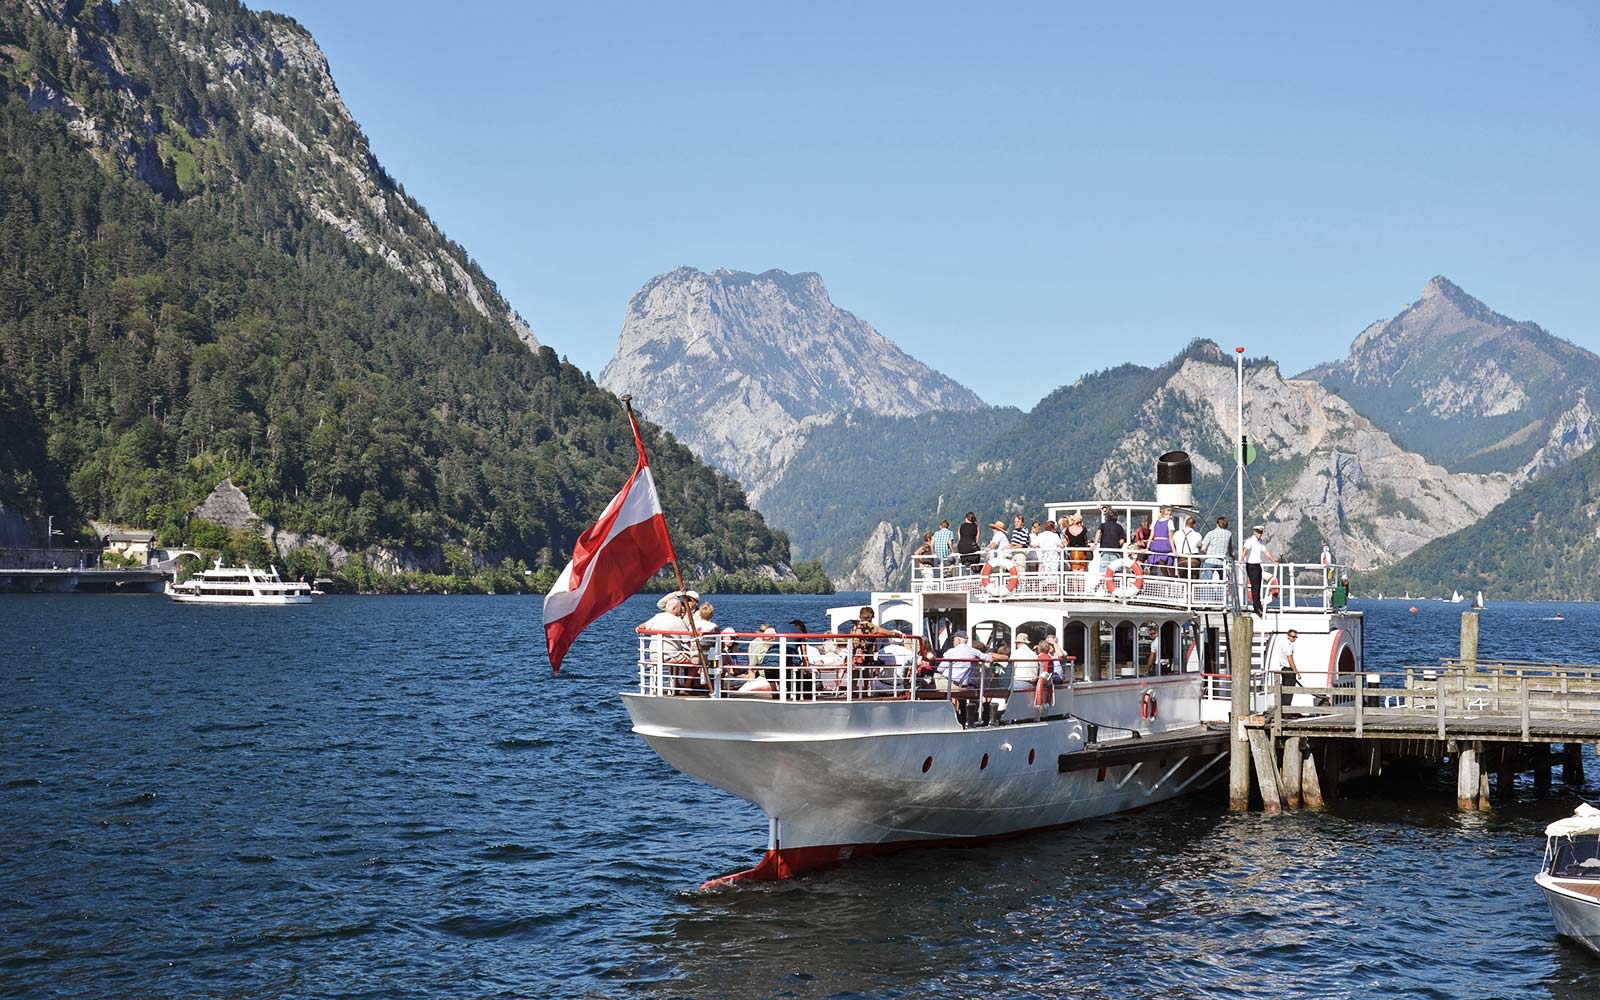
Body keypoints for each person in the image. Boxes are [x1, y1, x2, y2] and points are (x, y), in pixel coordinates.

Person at [1242, 525, 1280, 617]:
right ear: (1254, 532)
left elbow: (1266, 552)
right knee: (1255, 587)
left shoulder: (1261, 542)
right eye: (1258, 532)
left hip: (1258, 565)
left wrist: (1274, 561)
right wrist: (1242, 559)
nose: (1259, 534)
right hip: (1251, 565)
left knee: (1258, 586)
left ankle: (1258, 605)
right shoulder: (1250, 541)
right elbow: (1246, 549)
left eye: (1261, 532)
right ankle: (1256, 607)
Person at [1092, 509, 1127, 584]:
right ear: (1116, 518)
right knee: (1115, 570)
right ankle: (1115, 588)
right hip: (1115, 551)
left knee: (1104, 570)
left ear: (1107, 517)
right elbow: (1122, 540)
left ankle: (1104, 587)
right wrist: (1117, 545)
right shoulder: (1119, 527)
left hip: (1105, 551)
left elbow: (1098, 532)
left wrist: (1095, 544)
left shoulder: (1103, 525)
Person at [1272, 629, 1300, 708]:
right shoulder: (1288, 646)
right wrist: (1297, 673)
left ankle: (1284, 710)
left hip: (1283, 669)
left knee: (1285, 691)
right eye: (1293, 636)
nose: (1294, 638)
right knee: (1289, 691)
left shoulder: (1282, 643)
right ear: (1288, 636)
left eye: (1295, 637)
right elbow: (1290, 661)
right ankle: (1286, 711)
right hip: (1288, 669)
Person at [1201, 516, 1233, 581]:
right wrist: (1232, 556)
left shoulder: (1211, 533)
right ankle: (1221, 591)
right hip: (1221, 561)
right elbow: (1230, 548)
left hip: (1210, 560)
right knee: (1222, 580)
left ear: (1217, 524)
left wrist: (1207, 553)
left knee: (1207, 580)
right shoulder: (1228, 534)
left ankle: (1208, 591)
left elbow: (1203, 548)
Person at [1146, 507, 1175, 576]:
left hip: (1156, 546)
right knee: (1170, 564)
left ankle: (1166, 577)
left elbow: (1151, 536)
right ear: (1166, 515)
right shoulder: (1169, 522)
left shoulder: (1155, 522)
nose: (1171, 517)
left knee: (1161, 563)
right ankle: (1172, 578)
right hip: (1165, 546)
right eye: (1170, 515)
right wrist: (1174, 550)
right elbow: (1171, 538)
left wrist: (1147, 548)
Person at [1174, 516, 1204, 580]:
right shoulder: (1197, 535)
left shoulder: (1176, 533)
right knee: (1194, 579)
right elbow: (1200, 545)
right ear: (1194, 525)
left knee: (1183, 579)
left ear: (1185, 523)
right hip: (1194, 559)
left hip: (1181, 559)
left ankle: (1185, 589)